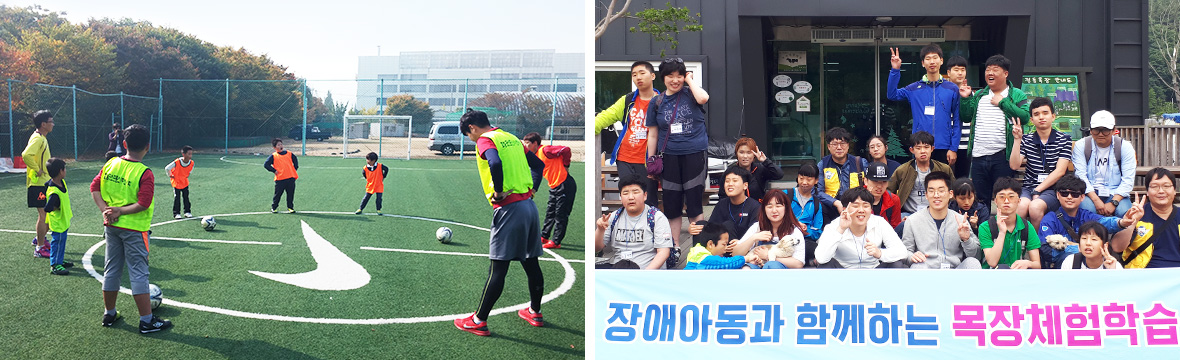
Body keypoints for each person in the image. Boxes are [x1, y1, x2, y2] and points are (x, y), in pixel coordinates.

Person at [453, 109, 547, 336]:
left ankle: (479, 320)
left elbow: (494, 163)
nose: (471, 139)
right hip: (528, 207)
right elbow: (539, 165)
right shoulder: (512, 139)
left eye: (468, 134)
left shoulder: (485, 140)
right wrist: (533, 188)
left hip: (509, 210)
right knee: (531, 263)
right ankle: (534, 311)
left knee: (498, 269)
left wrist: (499, 190)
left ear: (472, 128)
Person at [91, 124, 172, 333]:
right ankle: (146, 320)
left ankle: (109, 314)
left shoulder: (110, 164)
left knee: (112, 269)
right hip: (135, 229)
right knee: (138, 273)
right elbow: (143, 203)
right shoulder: (144, 172)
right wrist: (120, 211)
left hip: (111, 227)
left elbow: (95, 187)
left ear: (124, 144)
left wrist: (105, 211)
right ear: (148, 146)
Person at [645, 57, 710, 262]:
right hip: (669, 157)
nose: (675, 80)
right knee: (672, 204)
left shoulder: (692, 93)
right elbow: (653, 135)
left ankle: (698, 248)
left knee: (694, 204)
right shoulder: (656, 102)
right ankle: (673, 248)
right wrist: (650, 160)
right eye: (670, 76)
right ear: (662, 78)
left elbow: (704, 98)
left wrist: (690, 81)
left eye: (679, 75)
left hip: (694, 154)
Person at [961, 54, 1030, 206]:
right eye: (987, 70)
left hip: (1002, 156)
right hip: (979, 156)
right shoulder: (979, 95)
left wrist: (1003, 103)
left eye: (995, 69)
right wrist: (966, 99)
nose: (990, 73)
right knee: (980, 200)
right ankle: (984, 229)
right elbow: (966, 116)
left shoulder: (1016, 94)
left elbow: (1025, 117)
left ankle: (1004, 229)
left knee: (1004, 198)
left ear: (1005, 73)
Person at [595, 60, 660, 207]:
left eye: (642, 73)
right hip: (624, 157)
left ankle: (650, 228)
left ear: (653, 76)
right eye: (634, 75)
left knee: (647, 199)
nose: (638, 77)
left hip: (648, 161)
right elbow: (607, 116)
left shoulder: (661, 101)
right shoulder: (628, 100)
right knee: (628, 197)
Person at [1037, 174, 1138, 268]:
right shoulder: (1049, 219)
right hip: (1063, 269)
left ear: (1082, 197)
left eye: (1074, 194)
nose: (1069, 197)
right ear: (1058, 195)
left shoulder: (1086, 215)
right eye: (1064, 193)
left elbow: (1104, 222)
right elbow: (1046, 251)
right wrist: (1080, 249)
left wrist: (1122, 222)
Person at [886, 44, 961, 165]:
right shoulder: (914, 88)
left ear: (941, 61)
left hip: (943, 146)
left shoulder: (952, 88)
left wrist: (953, 148)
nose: (932, 61)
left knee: (942, 182)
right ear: (922, 63)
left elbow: (958, 120)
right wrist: (895, 70)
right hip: (920, 146)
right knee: (919, 182)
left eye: (935, 57)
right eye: (928, 58)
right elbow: (892, 94)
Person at [1010, 97, 1073, 227]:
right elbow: (1014, 165)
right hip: (1029, 187)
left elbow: (1060, 171)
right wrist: (1017, 140)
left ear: (1053, 116)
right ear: (1032, 120)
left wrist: (1038, 191)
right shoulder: (1026, 140)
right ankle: (1020, 243)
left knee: (1035, 207)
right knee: (1021, 207)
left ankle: (1038, 245)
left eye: (1045, 113)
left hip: (1053, 189)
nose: (1041, 117)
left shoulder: (1064, 139)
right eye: (1036, 114)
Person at [901, 171, 981, 269]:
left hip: (954, 271)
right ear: (926, 195)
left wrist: (966, 239)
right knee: (917, 267)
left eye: (941, 190)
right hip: (926, 270)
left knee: (972, 263)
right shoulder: (912, 221)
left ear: (950, 194)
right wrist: (911, 257)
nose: (936, 195)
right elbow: (905, 253)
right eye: (931, 191)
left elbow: (977, 256)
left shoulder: (960, 221)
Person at [815, 187, 908, 268]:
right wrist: (841, 229)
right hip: (843, 273)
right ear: (844, 209)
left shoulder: (879, 222)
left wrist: (880, 253)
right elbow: (821, 258)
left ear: (871, 209)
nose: (861, 210)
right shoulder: (834, 226)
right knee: (825, 265)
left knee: (897, 264)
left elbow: (902, 252)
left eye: (866, 206)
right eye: (855, 206)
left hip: (874, 272)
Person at [595, 175, 673, 270]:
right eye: (625, 193)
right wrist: (600, 230)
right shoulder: (614, 217)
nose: (631, 197)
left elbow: (663, 252)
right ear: (620, 197)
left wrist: (643, 275)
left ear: (645, 195)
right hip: (618, 270)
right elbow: (596, 248)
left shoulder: (657, 217)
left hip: (647, 271)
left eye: (635, 192)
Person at [1073, 110, 1136, 217]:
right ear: (1091, 130)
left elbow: (1128, 180)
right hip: (1089, 193)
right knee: (1087, 212)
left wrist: (1114, 202)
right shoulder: (1081, 145)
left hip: (1116, 192)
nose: (1100, 134)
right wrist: (1096, 200)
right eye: (1096, 130)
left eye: (1105, 130)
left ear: (1114, 130)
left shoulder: (1124, 147)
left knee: (1124, 213)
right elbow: (1081, 176)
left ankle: (1119, 234)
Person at [522, 132, 576, 249]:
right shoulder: (535, 156)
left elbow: (566, 149)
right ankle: (544, 236)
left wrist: (566, 165)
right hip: (554, 186)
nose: (525, 146)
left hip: (565, 184)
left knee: (560, 215)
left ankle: (556, 242)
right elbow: (536, 174)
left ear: (535, 143)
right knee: (550, 212)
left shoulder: (546, 150)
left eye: (527, 143)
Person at [1114, 167, 1177, 268]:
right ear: (1147, 192)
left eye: (1166, 186)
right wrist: (1132, 223)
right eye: (1155, 186)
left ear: (1174, 190)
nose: (1161, 191)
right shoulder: (1135, 214)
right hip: (1142, 276)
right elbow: (1117, 247)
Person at [730, 190, 806, 269]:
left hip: (780, 272)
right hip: (757, 266)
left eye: (778, 206)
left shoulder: (794, 231)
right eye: (769, 207)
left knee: (772, 265)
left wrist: (768, 256)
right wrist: (753, 238)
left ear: (786, 208)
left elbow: (798, 263)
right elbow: (735, 254)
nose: (774, 210)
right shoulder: (757, 227)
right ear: (764, 209)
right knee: (746, 268)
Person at [978, 177, 1042, 269]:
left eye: (1011, 197)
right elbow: (992, 262)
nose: (1006, 201)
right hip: (992, 275)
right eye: (1002, 197)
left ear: (1019, 201)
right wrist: (1002, 233)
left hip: (1016, 273)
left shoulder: (1027, 226)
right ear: (995, 201)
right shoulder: (985, 227)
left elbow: (1037, 265)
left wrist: (1028, 263)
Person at [887, 131, 954, 219]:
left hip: (937, 212)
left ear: (932, 149)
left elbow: (954, 192)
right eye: (918, 148)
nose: (923, 151)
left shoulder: (944, 169)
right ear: (912, 150)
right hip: (909, 214)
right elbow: (888, 192)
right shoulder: (902, 170)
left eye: (926, 147)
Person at [688, 166, 760, 240]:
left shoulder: (754, 207)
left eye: (735, 181)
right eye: (727, 181)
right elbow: (712, 228)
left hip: (745, 246)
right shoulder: (722, 204)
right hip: (722, 246)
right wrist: (694, 228)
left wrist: (740, 243)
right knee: (700, 225)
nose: (730, 184)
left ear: (745, 186)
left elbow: (755, 233)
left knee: (729, 225)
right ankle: (698, 252)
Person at [818, 127, 869, 219]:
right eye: (834, 144)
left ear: (848, 146)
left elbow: (869, 187)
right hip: (831, 208)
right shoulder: (823, 165)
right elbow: (818, 191)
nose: (839, 147)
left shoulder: (860, 163)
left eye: (842, 143)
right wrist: (836, 203)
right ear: (828, 146)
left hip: (856, 208)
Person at [22, 110, 53, 258]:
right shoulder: (38, 139)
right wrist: (37, 169)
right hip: (38, 183)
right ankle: (40, 248)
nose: (53, 124)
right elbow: (26, 154)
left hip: (43, 182)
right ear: (43, 124)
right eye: (51, 121)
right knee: (44, 214)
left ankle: (40, 239)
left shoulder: (41, 137)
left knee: (46, 214)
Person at [788, 162, 826, 266]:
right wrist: (795, 226)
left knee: (820, 251)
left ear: (816, 180)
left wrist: (806, 231)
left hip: (804, 241)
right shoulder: (787, 195)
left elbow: (818, 231)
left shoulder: (817, 204)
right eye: (801, 178)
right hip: (784, 237)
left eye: (809, 179)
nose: (804, 182)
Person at [43, 158, 73, 275]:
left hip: (63, 220)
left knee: (62, 242)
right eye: (65, 169)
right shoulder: (54, 192)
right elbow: (48, 208)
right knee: (57, 242)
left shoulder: (60, 182)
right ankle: (55, 265)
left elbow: (46, 184)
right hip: (58, 222)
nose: (66, 171)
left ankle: (59, 260)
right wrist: (57, 207)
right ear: (61, 171)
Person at [728, 137, 783, 202]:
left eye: (749, 153)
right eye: (741, 152)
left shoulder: (760, 169)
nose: (745, 156)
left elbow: (779, 174)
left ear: (754, 155)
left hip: (758, 209)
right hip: (737, 210)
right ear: (736, 154)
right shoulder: (730, 172)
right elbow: (723, 196)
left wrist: (765, 161)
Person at [946, 55, 973, 178]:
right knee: (945, 180)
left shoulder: (971, 94)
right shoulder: (944, 92)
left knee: (962, 180)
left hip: (965, 144)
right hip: (947, 144)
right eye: (956, 70)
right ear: (949, 72)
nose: (960, 73)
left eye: (963, 70)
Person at [263, 138, 299, 213]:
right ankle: (274, 207)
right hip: (280, 179)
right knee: (278, 194)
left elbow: (295, 160)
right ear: (274, 147)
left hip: (290, 178)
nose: (281, 146)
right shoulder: (273, 156)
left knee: (290, 194)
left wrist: (294, 169)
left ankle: (290, 207)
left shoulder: (289, 153)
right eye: (278, 145)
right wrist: (274, 170)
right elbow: (266, 165)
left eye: (281, 144)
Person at [865, 162, 902, 228]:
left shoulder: (894, 199)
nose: (879, 186)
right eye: (875, 181)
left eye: (884, 182)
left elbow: (895, 226)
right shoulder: (856, 197)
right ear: (866, 181)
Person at [165, 145, 195, 219]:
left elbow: (190, 171)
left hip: (184, 182)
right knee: (177, 198)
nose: (190, 156)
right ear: (183, 154)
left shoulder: (191, 163)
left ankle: (187, 212)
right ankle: (176, 213)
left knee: (186, 197)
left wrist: (186, 175)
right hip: (176, 183)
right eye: (189, 154)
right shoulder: (177, 162)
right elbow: (167, 168)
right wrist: (170, 175)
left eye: (191, 154)